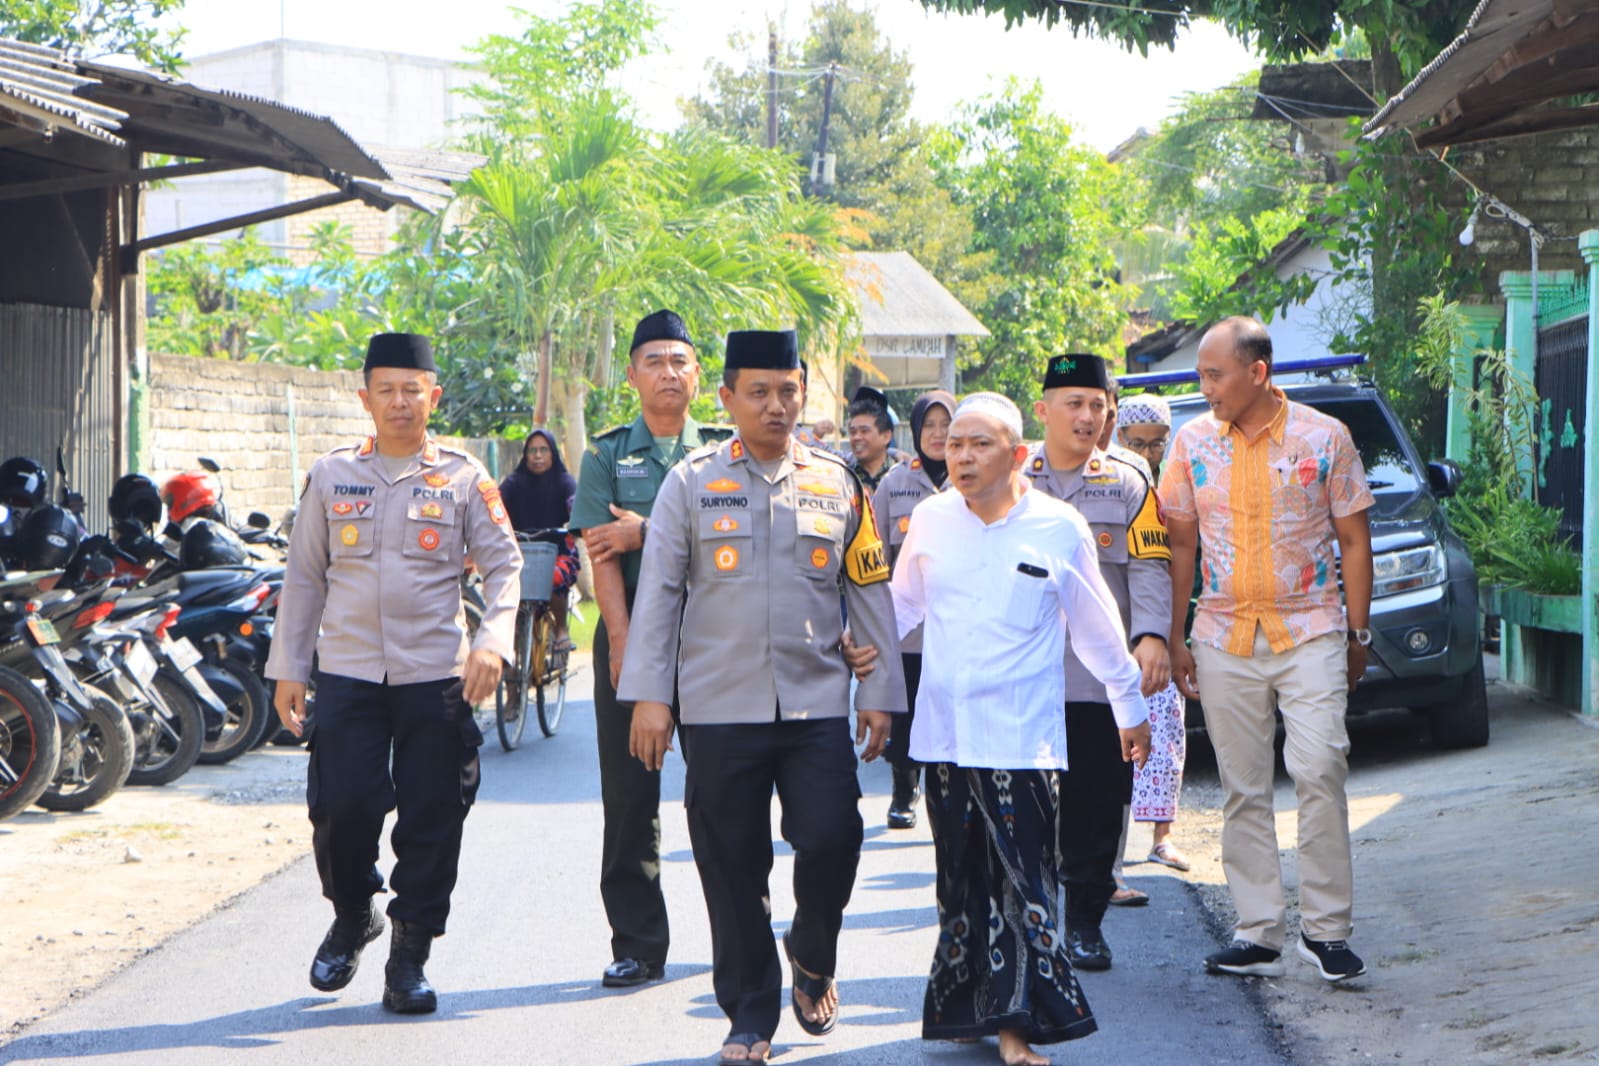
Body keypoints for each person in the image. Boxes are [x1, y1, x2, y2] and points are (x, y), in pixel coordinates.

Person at [618, 328, 907, 1066]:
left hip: (813, 703)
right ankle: (749, 1014)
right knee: (730, 863)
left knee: (834, 837)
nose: (775, 406)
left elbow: (867, 586)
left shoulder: (838, 481)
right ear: (727, 399)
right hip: (717, 710)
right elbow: (658, 597)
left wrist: (877, 690)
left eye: (787, 391)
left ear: (802, 395)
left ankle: (811, 952)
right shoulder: (690, 480)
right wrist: (651, 697)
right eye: (758, 392)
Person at [890, 392, 1150, 1066]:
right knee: (959, 884)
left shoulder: (1057, 527)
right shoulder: (929, 519)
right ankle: (966, 1011)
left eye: (979, 444)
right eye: (953, 445)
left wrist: (1130, 709)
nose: (963, 456)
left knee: (1023, 884)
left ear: (1018, 455)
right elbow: (896, 611)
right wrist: (849, 673)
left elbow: (1096, 631)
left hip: (1021, 741)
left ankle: (1017, 1028)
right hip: (944, 737)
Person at [266, 332, 521, 1014]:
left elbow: (505, 566)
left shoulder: (466, 478)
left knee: (433, 816)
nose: (401, 402)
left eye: (414, 389)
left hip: (436, 675)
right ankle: (354, 913)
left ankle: (409, 952)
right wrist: (289, 667)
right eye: (387, 390)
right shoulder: (331, 475)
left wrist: (493, 641)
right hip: (347, 673)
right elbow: (305, 576)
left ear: (433, 396)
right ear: (365, 398)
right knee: (340, 808)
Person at [1159, 316, 1375, 983]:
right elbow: (1180, 546)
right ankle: (1257, 932)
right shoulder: (1190, 442)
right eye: (1200, 375)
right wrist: (1174, 636)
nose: (1204, 388)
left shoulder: (1323, 436)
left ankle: (1325, 930)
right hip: (1222, 636)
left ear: (1256, 373)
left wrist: (1357, 633)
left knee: (1318, 768)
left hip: (1308, 628)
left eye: (1213, 375)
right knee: (1242, 788)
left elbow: (1353, 540)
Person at [568, 309, 706, 989]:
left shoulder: (720, 452)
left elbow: (718, 538)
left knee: (721, 795)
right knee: (629, 798)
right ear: (631, 375)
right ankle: (638, 943)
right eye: (653, 361)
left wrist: (644, 531)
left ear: (699, 375)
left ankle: (736, 938)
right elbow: (600, 552)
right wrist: (622, 645)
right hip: (633, 640)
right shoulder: (605, 453)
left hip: (714, 644)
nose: (667, 373)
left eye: (679, 361)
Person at [1024, 353, 1169, 973]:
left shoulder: (1130, 480)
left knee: (1096, 801)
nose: (1087, 417)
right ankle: (1029, 921)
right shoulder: (1009, 472)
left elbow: (1149, 565)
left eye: (1097, 406)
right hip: (1023, 674)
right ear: (1044, 411)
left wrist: (1154, 636)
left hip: (1097, 679)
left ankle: (1084, 921)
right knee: (1025, 802)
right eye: (1073, 404)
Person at [1114, 393, 1191, 876]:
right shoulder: (1108, 485)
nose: (1145, 453)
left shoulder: (1177, 490)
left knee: (1165, 734)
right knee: (1113, 745)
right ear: (1120, 438)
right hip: (1114, 635)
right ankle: (1109, 857)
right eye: (1136, 443)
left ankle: (1163, 836)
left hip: (1162, 634)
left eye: (1156, 444)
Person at [871, 388, 955, 830]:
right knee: (903, 716)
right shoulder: (895, 483)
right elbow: (875, 554)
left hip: (957, 630)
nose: (939, 435)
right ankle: (904, 790)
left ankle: (947, 796)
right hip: (906, 630)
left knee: (945, 712)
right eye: (930, 427)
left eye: (947, 425)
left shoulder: (972, 477)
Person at [499, 428, 580, 648]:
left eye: (543, 450)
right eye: (532, 450)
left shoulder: (564, 481)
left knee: (552, 577)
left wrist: (576, 524)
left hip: (557, 552)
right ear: (525, 455)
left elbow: (576, 508)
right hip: (519, 551)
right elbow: (494, 505)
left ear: (553, 453)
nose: (537, 455)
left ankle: (561, 628)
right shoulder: (514, 482)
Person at [846, 385, 898, 491]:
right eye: (853, 432)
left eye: (864, 431)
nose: (857, 437)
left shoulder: (902, 475)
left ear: (886, 436)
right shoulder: (844, 476)